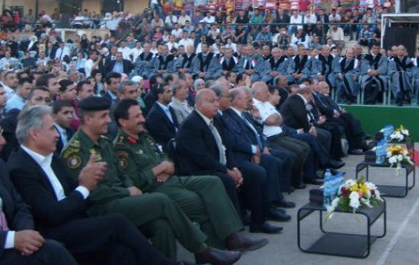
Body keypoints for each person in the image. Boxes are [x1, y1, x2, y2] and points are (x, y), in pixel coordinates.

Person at [60, 96, 241, 264]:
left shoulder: (104, 142)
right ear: (88, 119)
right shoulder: (74, 152)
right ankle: (203, 250)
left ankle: (186, 256)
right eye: (103, 116)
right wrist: (128, 190)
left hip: (125, 198)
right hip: (103, 206)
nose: (108, 120)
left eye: (108, 115)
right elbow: (92, 193)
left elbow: (122, 175)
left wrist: (131, 187)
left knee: (162, 225)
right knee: (162, 201)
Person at [7, 106, 180, 265]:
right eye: (52, 129)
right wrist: (84, 186)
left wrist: (85, 183)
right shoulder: (20, 168)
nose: (57, 134)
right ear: (35, 134)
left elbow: (76, 191)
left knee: (121, 252)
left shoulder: (52, 157)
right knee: (117, 222)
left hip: (75, 220)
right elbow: (52, 214)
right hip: (53, 232)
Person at [112, 98, 268, 252]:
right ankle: (213, 251)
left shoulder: (145, 137)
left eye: (141, 114)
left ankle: (233, 236)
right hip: (154, 188)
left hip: (171, 178)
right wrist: (159, 169)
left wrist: (168, 166)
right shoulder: (121, 148)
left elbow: (165, 157)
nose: (143, 119)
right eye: (137, 116)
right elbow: (133, 181)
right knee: (202, 202)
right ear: (123, 122)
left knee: (213, 182)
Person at [174, 88, 283, 235]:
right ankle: (234, 232)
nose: (217, 104)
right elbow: (202, 158)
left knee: (255, 173)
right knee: (229, 179)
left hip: (219, 164)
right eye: (212, 101)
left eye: (217, 100)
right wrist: (227, 171)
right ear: (199, 105)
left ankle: (258, 221)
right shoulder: (191, 125)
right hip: (201, 169)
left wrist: (234, 168)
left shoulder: (215, 120)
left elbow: (227, 147)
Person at [0, 109, 78, 265]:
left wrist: (25, 232)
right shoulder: (18, 165)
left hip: (13, 239)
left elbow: (19, 206)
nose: (2, 141)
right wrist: (12, 239)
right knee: (53, 251)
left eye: (0, 134)